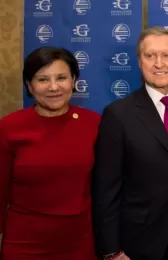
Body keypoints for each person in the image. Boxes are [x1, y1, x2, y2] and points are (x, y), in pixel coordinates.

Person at [92, 26, 168, 260]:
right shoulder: (118, 114)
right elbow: (106, 189)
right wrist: (112, 250)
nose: (159, 63)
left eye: (166, 56)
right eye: (150, 55)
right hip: (137, 241)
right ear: (139, 62)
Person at [0, 46, 100, 260]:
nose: (53, 87)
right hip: (24, 244)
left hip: (79, 243)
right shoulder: (9, 128)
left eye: (61, 78)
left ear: (74, 81)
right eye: (42, 79)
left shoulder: (95, 124)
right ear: (29, 85)